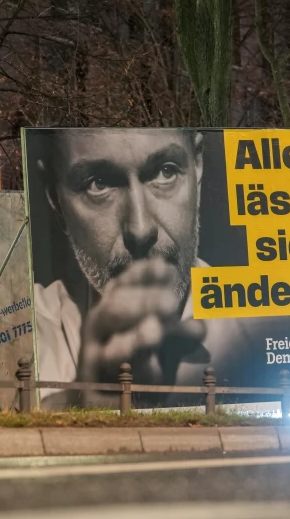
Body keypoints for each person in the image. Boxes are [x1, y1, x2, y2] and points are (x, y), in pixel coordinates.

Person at [30, 128, 239, 406]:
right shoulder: (27, 329)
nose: (140, 230)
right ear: (55, 197)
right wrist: (78, 405)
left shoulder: (271, 322)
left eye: (166, 172)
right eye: (99, 183)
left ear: (197, 164)